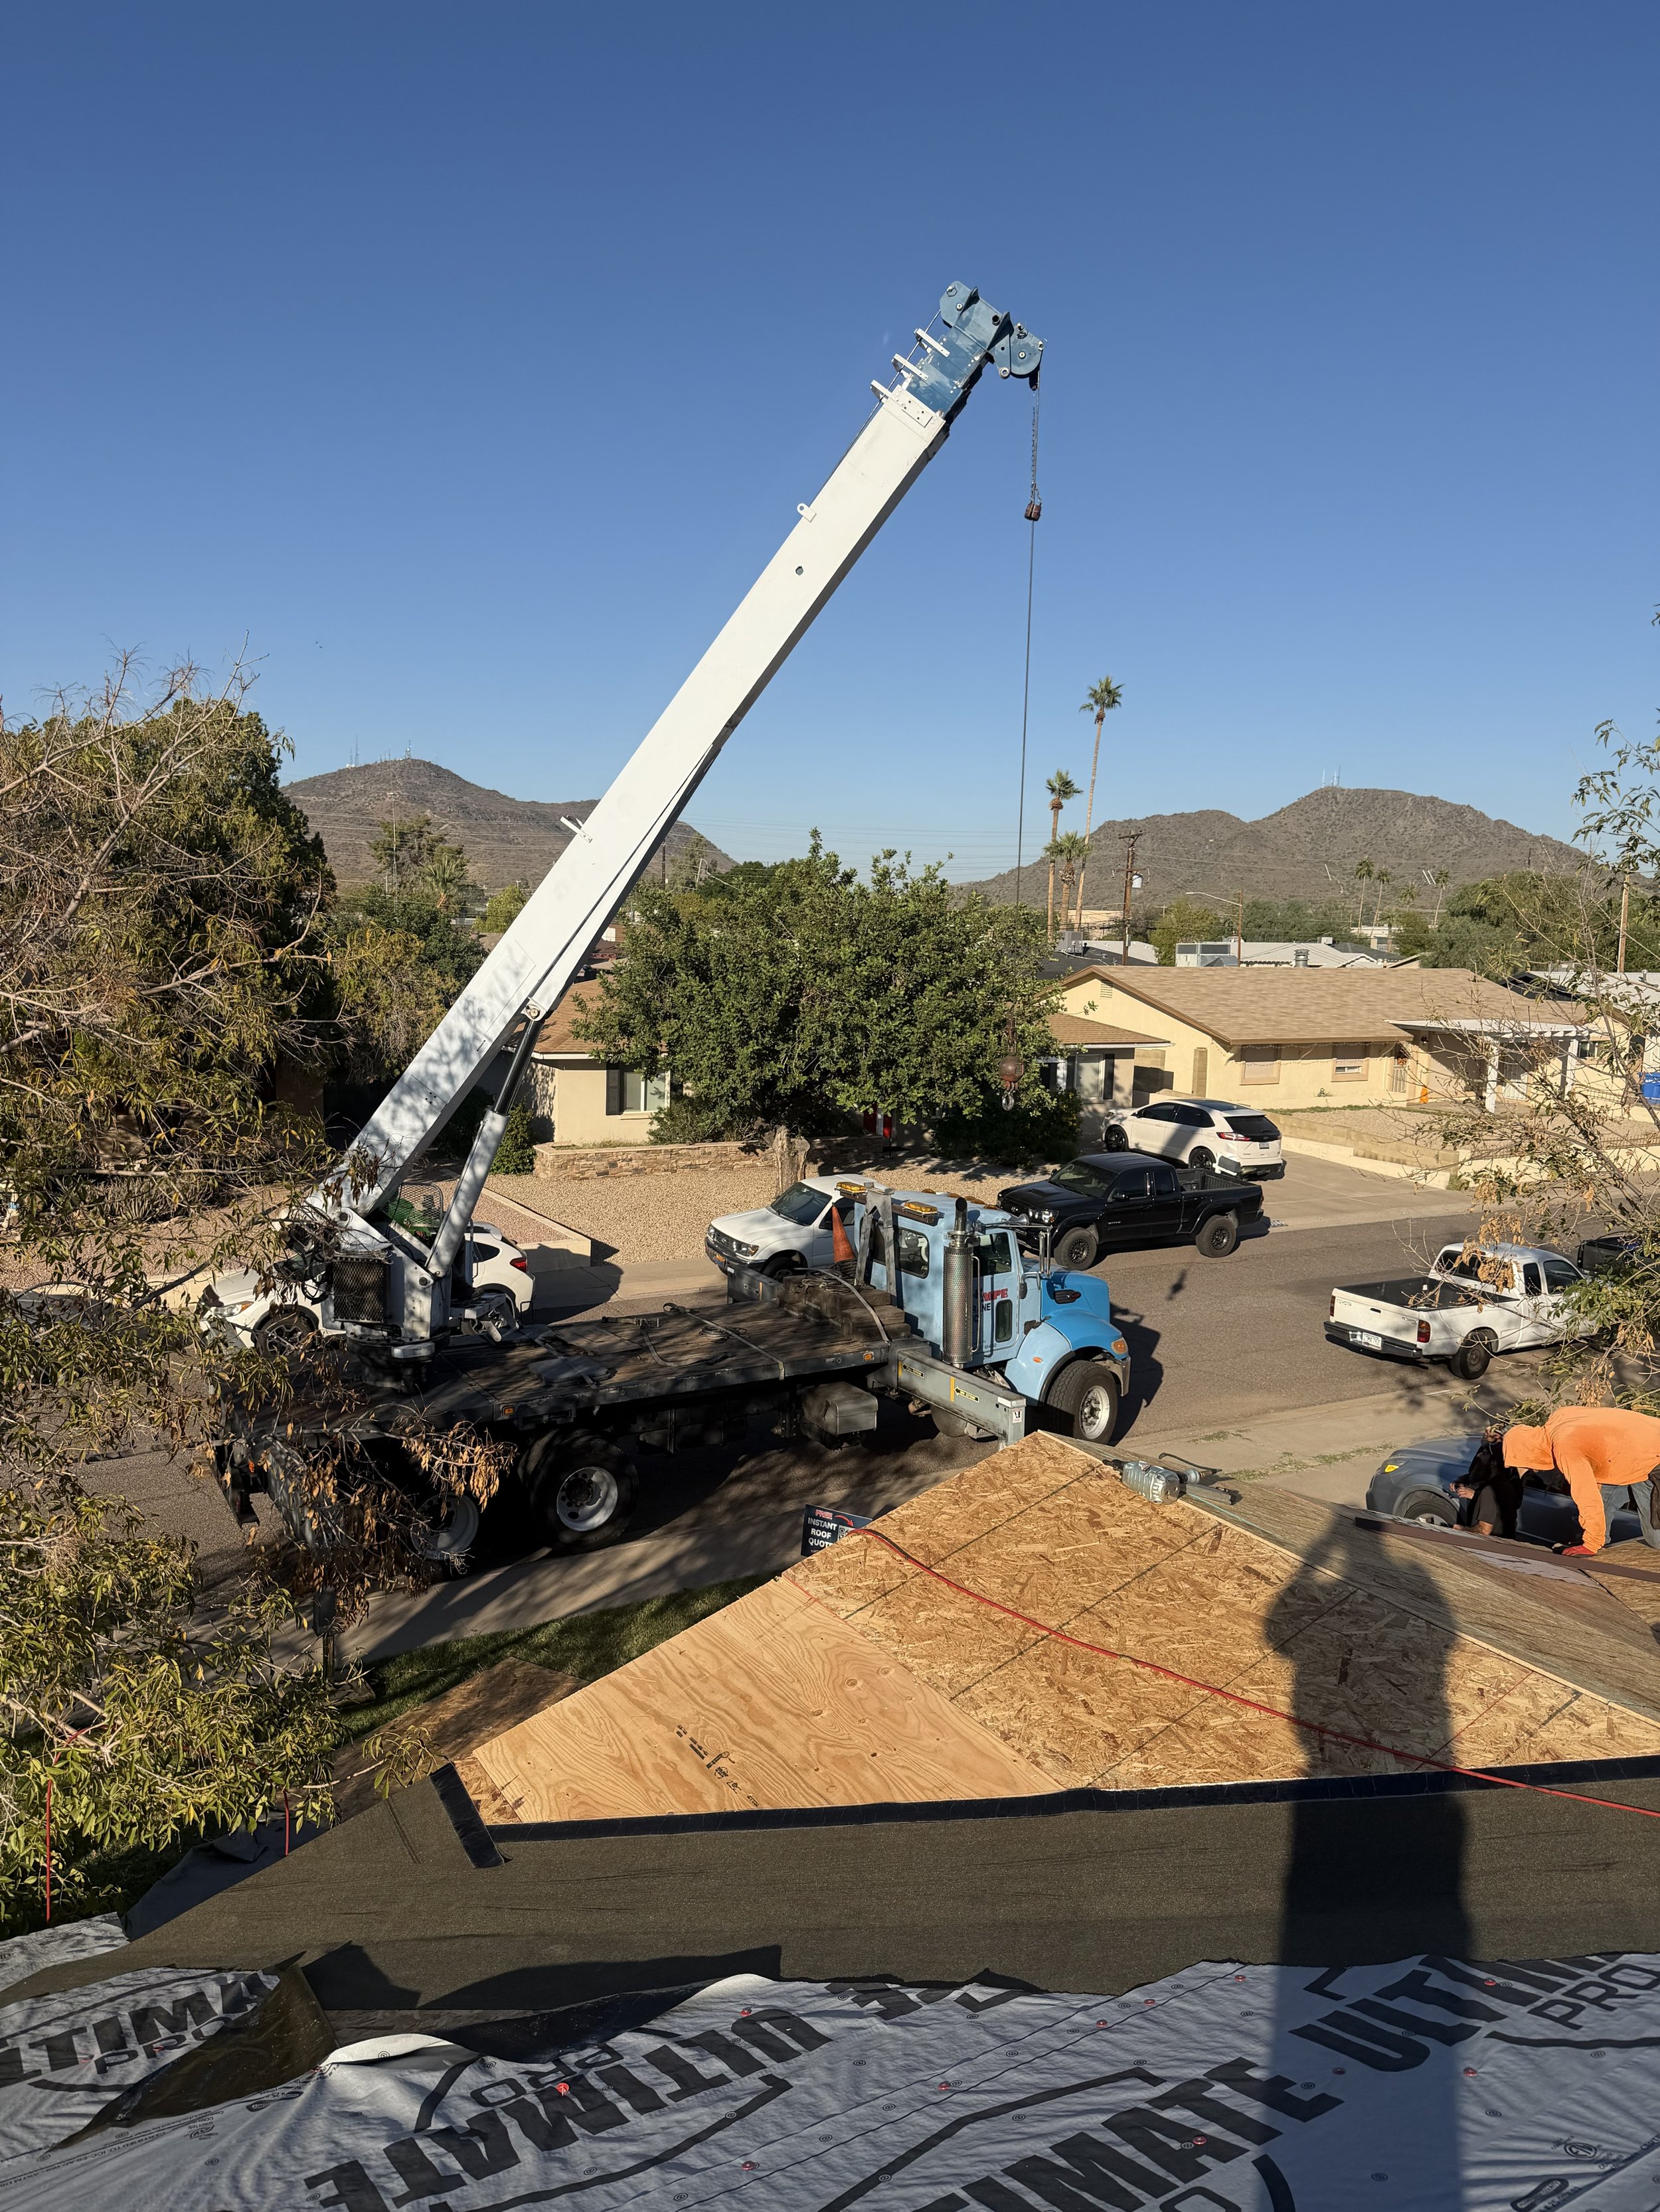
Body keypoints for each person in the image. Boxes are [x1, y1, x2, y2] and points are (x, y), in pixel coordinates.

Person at [1501, 1405, 1660, 1556]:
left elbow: (1585, 1495)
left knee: (1656, 1539)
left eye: (1527, 1464)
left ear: (1531, 1452)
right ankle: (1597, 1539)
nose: (1534, 1470)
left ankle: (1594, 1541)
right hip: (1630, 1456)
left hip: (1653, 1460)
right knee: (1604, 1498)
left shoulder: (1565, 1445)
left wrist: (1591, 1545)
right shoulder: (1560, 1417)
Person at [1453, 1428, 1524, 1537]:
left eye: (1484, 1454)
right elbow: (1477, 1473)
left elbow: (1483, 1530)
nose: (1479, 1456)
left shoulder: (1494, 1488)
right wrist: (1462, 1480)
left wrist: (1460, 1529)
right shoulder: (1495, 1477)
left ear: (1493, 1463)